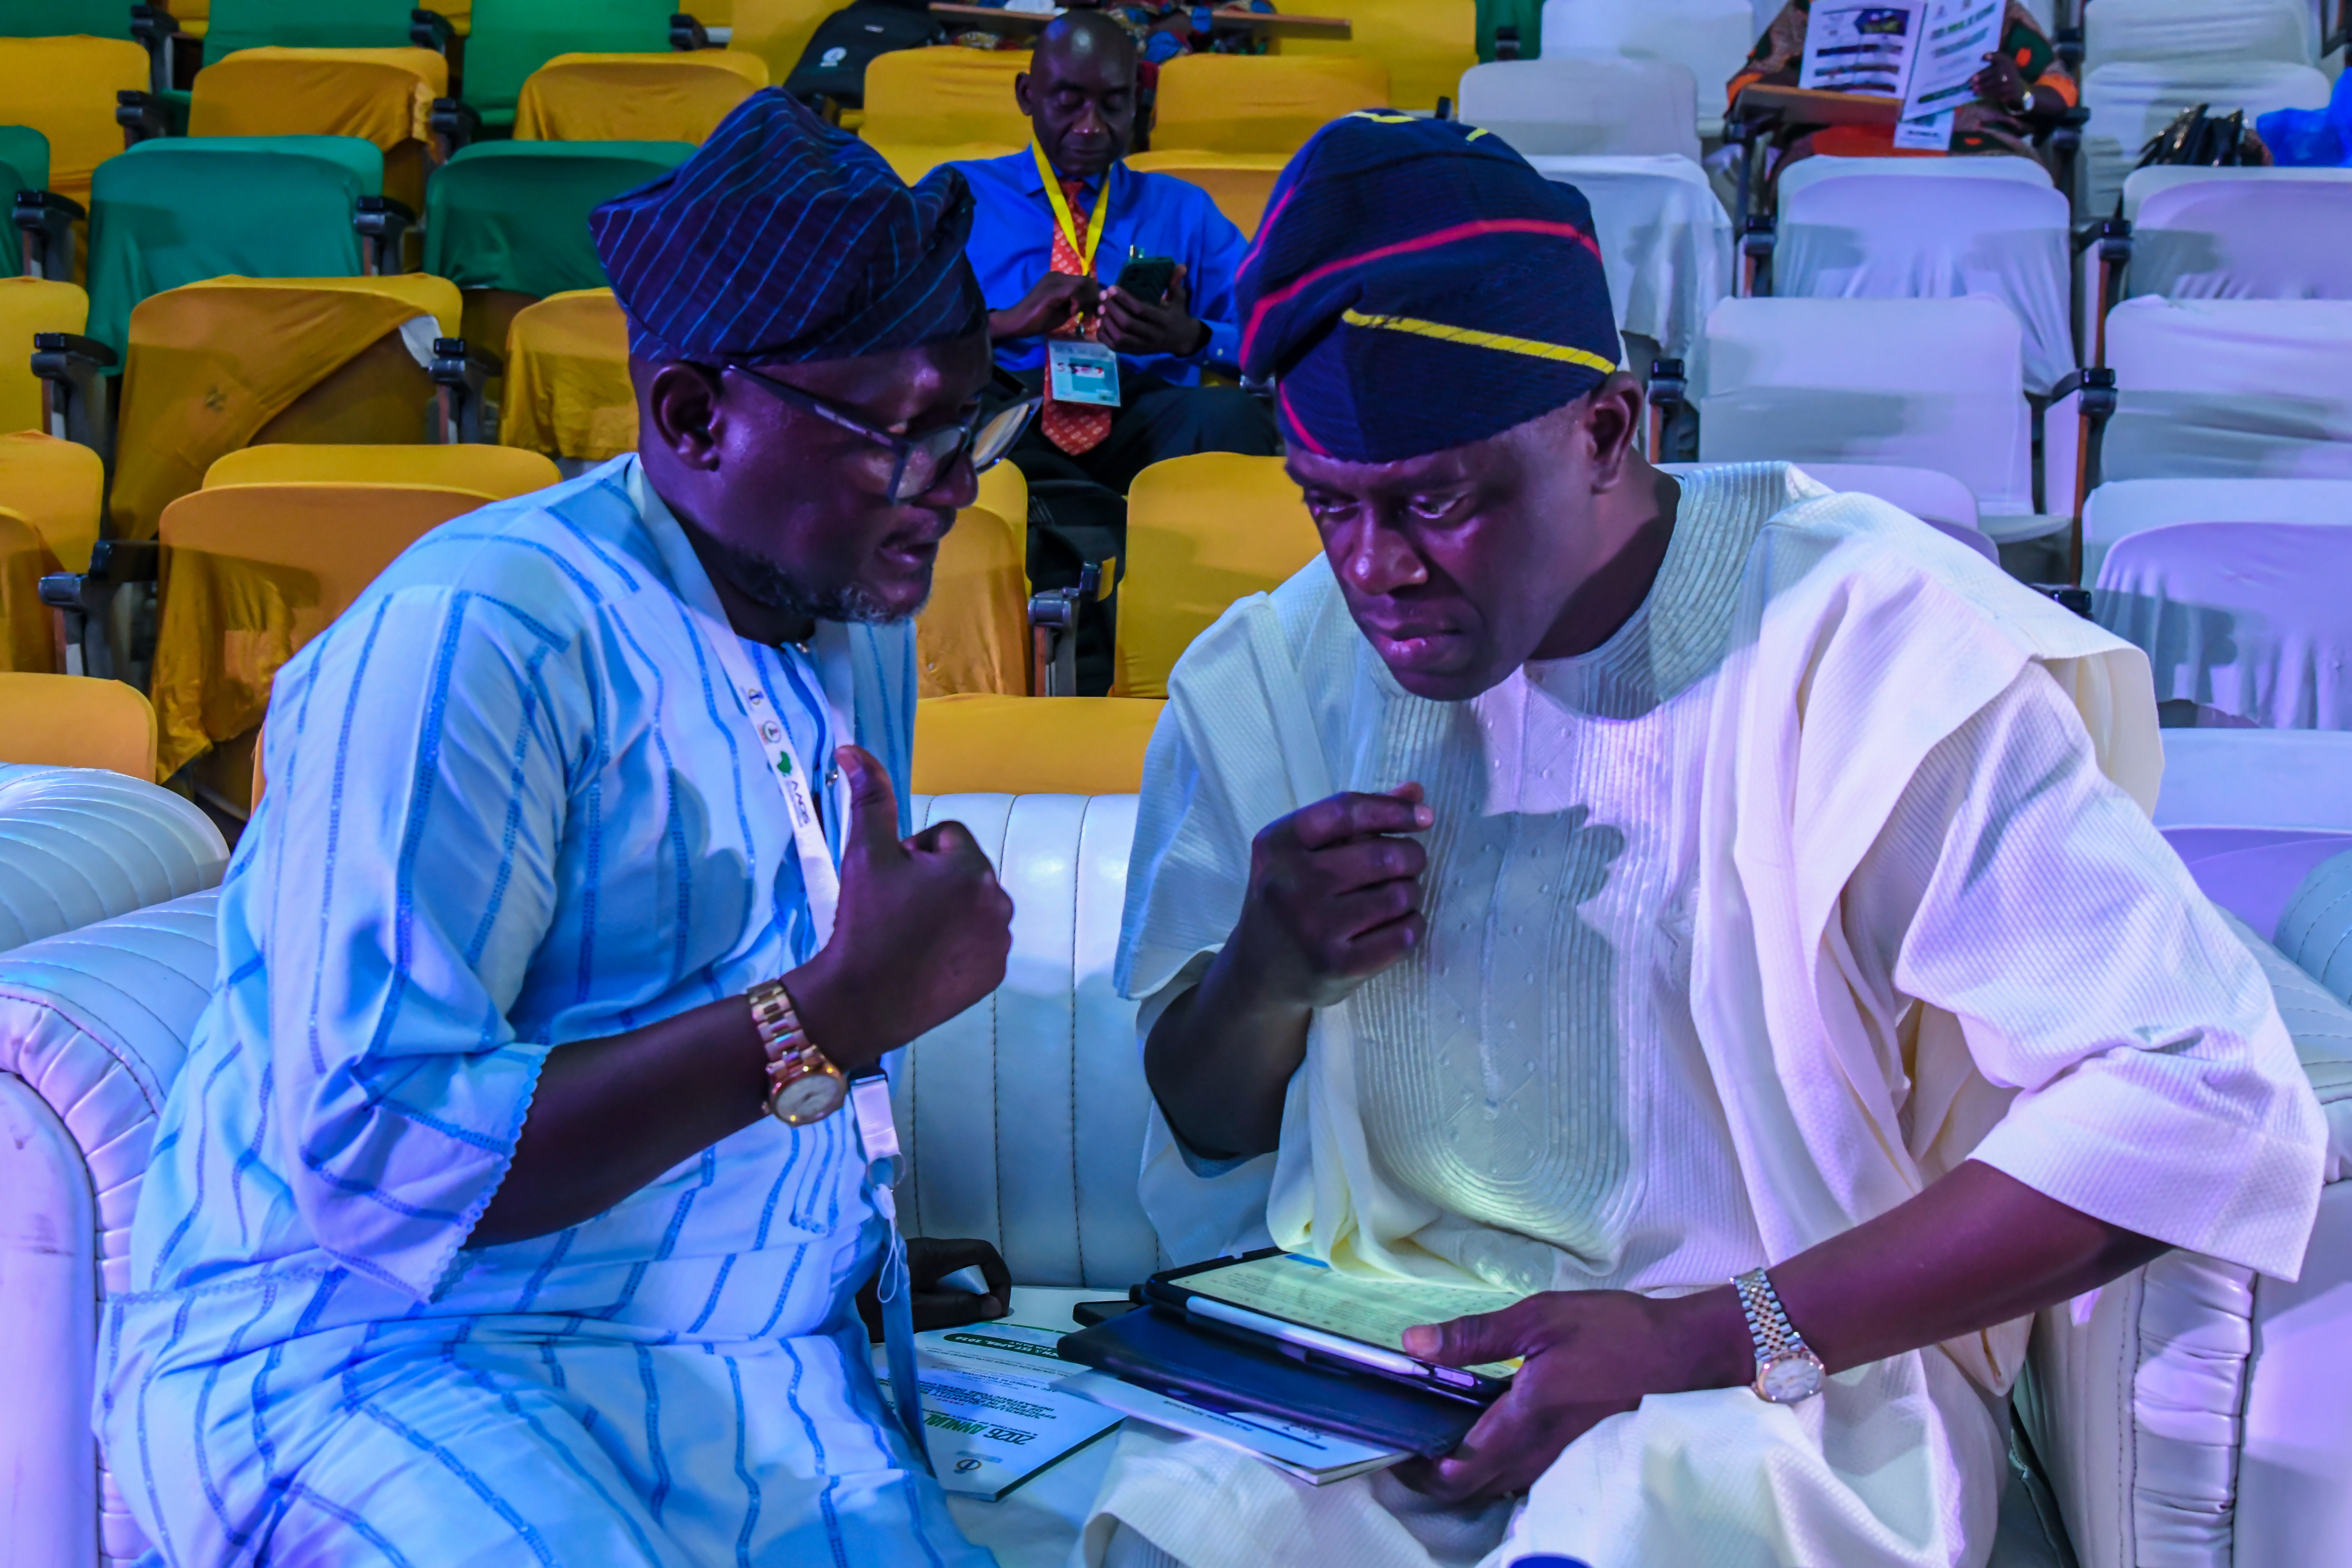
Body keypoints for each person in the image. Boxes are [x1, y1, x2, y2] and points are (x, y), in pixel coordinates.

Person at [1081, 116, 2327, 1568]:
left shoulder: (1867, 649)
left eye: (1433, 502)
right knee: (1179, 1536)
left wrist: (1695, 1336)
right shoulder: (1273, 676)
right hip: (1382, 1359)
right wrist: (1266, 972)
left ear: (1608, 430)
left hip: (1784, 1385)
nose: (1373, 571)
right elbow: (1204, 1123)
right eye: (1327, 507)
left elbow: (2196, 1087)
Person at [99, 91, 1033, 1566]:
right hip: (374, 1350)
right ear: (694, 416)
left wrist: (830, 1224)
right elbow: (374, 1149)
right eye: (903, 434)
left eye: (971, 422)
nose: (958, 484)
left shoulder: (851, 606)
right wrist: (829, 1014)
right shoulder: (476, 633)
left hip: (725, 1343)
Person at [955, 10, 1278, 501]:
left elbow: (1277, 343)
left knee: (1233, 418)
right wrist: (1003, 324)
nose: (1091, 127)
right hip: (1007, 405)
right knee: (953, 426)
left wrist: (1191, 337)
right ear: (1027, 95)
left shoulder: (1183, 210)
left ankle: (1125, 528)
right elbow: (884, 338)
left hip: (1143, 411)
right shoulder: (961, 195)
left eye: (1113, 104)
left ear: (1137, 103)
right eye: (1069, 102)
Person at [1730, 0, 2079, 184]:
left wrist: (2020, 93)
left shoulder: (1989, 8)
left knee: (2018, 186)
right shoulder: (1814, 7)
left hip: (1969, 144)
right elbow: (1747, 91)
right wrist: (1810, 78)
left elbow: (2059, 94)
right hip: (1839, 145)